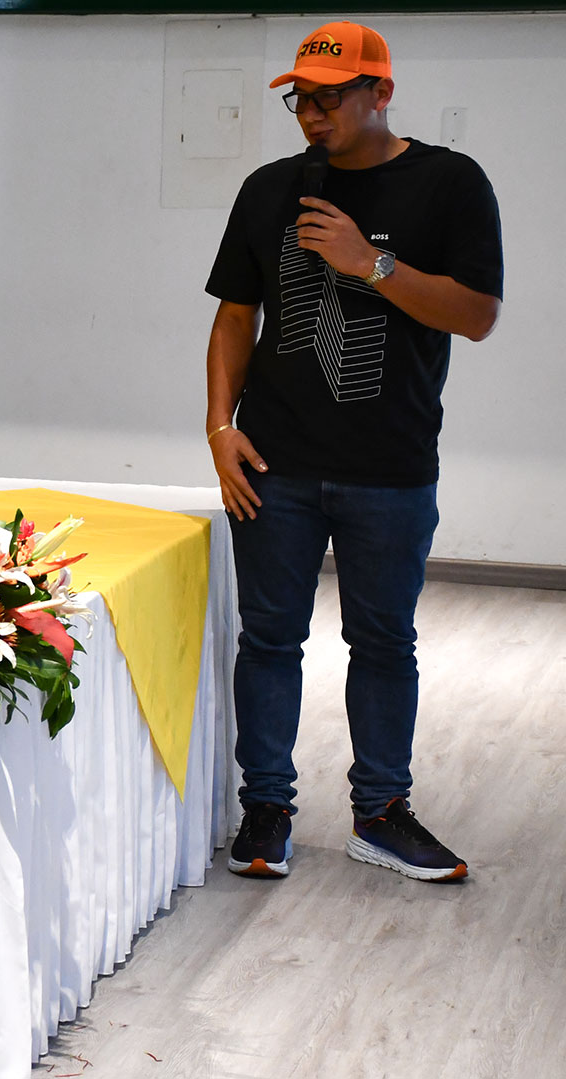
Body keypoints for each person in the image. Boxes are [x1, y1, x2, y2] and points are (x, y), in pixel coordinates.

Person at [205, 22, 500, 882]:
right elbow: (235, 314)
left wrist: (369, 264)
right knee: (269, 639)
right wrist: (220, 427)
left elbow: (477, 315)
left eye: (330, 97)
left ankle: (381, 812)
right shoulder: (270, 190)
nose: (312, 113)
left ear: (382, 93)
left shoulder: (449, 183)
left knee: (382, 642)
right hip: (275, 464)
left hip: (390, 466)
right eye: (302, 98)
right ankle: (266, 809)